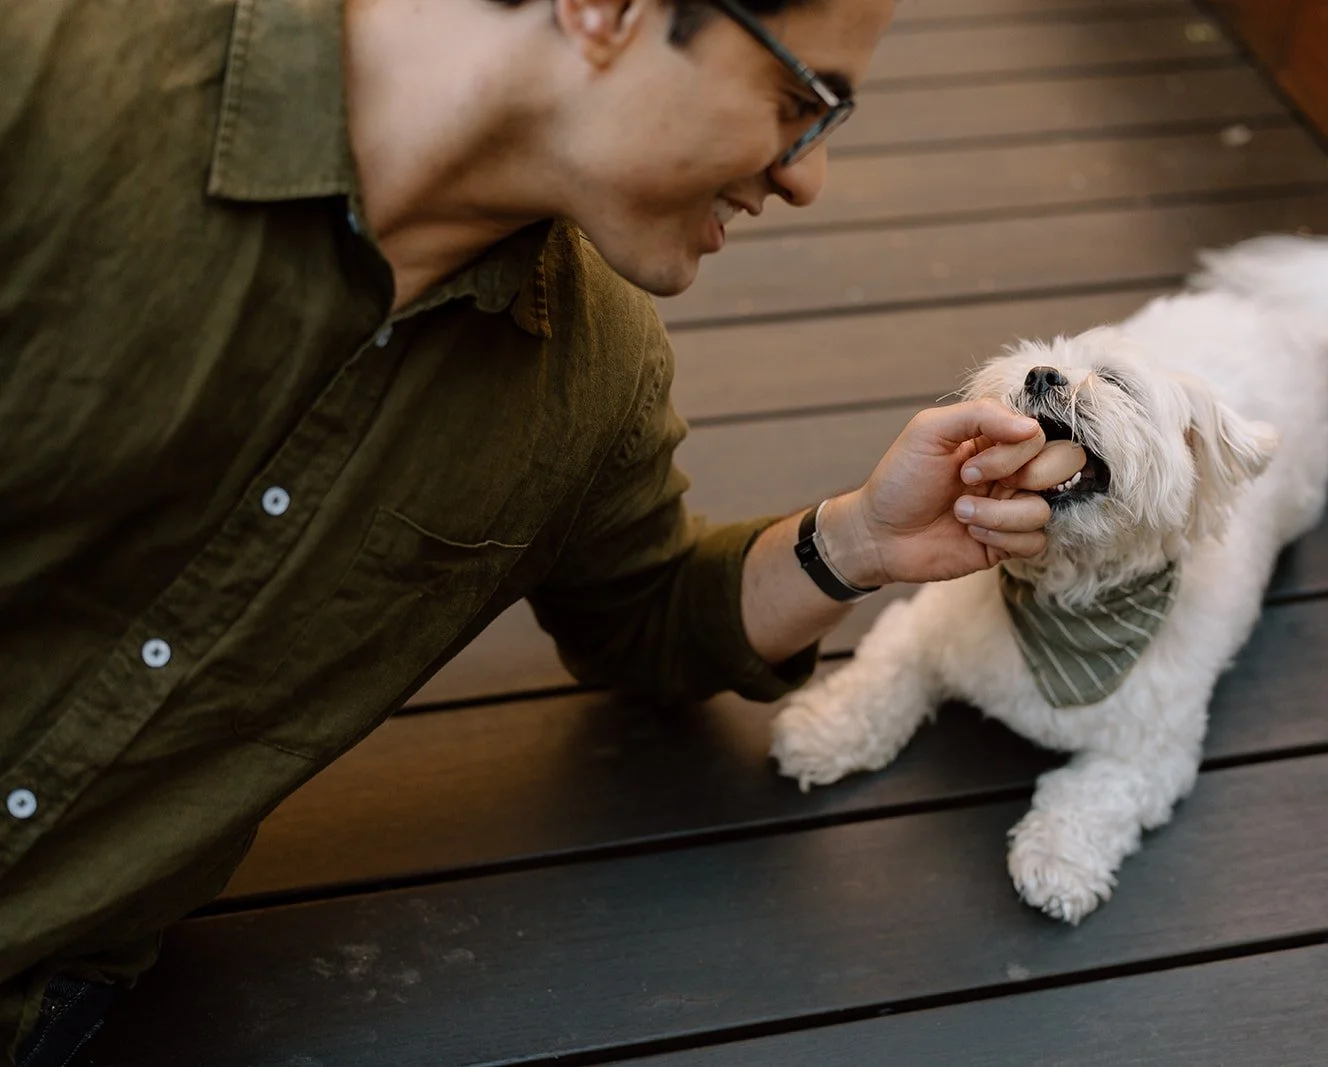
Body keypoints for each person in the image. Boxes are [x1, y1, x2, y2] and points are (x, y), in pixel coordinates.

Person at [0, 0, 1086, 1061]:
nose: (807, 176)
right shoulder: (50, 71)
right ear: (604, 13)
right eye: (801, 101)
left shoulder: (589, 370)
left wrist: (857, 542)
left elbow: (649, 612)